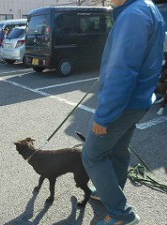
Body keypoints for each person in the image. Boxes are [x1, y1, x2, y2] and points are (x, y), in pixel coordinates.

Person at [81, 0, 165, 224]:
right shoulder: (146, 7)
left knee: (92, 155)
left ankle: (121, 214)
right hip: (139, 100)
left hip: (124, 104)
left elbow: (122, 71)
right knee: (118, 150)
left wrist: (104, 115)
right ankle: (109, 190)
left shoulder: (132, 16)